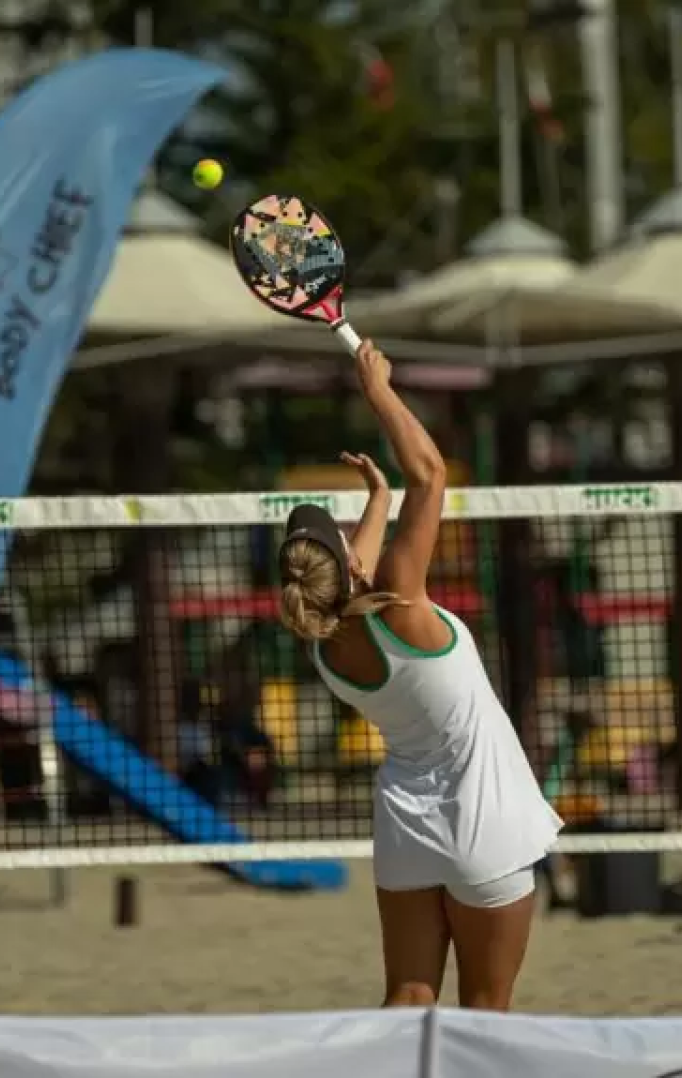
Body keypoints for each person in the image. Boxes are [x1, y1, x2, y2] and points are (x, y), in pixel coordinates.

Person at [276, 339, 562, 1012]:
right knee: (487, 1012)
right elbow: (430, 474)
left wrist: (377, 498)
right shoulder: (399, 605)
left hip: (406, 825)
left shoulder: (322, 640)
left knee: (407, 1000)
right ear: (346, 561)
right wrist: (377, 390)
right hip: (481, 820)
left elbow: (350, 573)